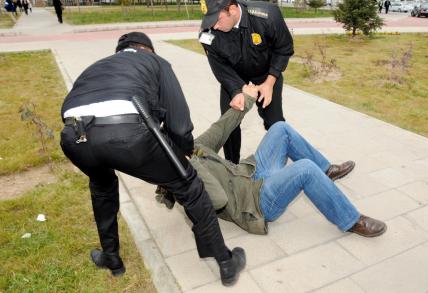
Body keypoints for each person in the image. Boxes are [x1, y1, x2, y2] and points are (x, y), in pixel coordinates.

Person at [60, 32, 246, 287]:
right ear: (148, 50)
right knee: (191, 188)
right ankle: (225, 262)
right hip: (127, 134)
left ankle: (111, 258)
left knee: (102, 187)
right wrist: (183, 154)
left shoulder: (99, 65)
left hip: (74, 135)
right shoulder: (156, 63)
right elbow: (179, 123)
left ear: (120, 51)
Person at [158, 85, 387, 237]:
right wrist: (189, 162)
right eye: (183, 134)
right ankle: (351, 220)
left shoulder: (195, 146)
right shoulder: (181, 177)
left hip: (253, 173)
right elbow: (218, 200)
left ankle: (326, 171)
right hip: (257, 203)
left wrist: (247, 97)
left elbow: (221, 127)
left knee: (280, 129)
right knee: (304, 169)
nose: (188, 132)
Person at [199, 0, 294, 164]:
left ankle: (278, 166)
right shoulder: (207, 35)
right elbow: (220, 67)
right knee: (229, 124)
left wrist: (269, 83)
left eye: (217, 19)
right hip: (234, 77)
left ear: (233, 9)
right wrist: (237, 90)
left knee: (276, 124)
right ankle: (232, 166)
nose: (213, 27)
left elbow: (284, 49)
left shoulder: (268, 16)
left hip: (266, 73)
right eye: (209, 20)